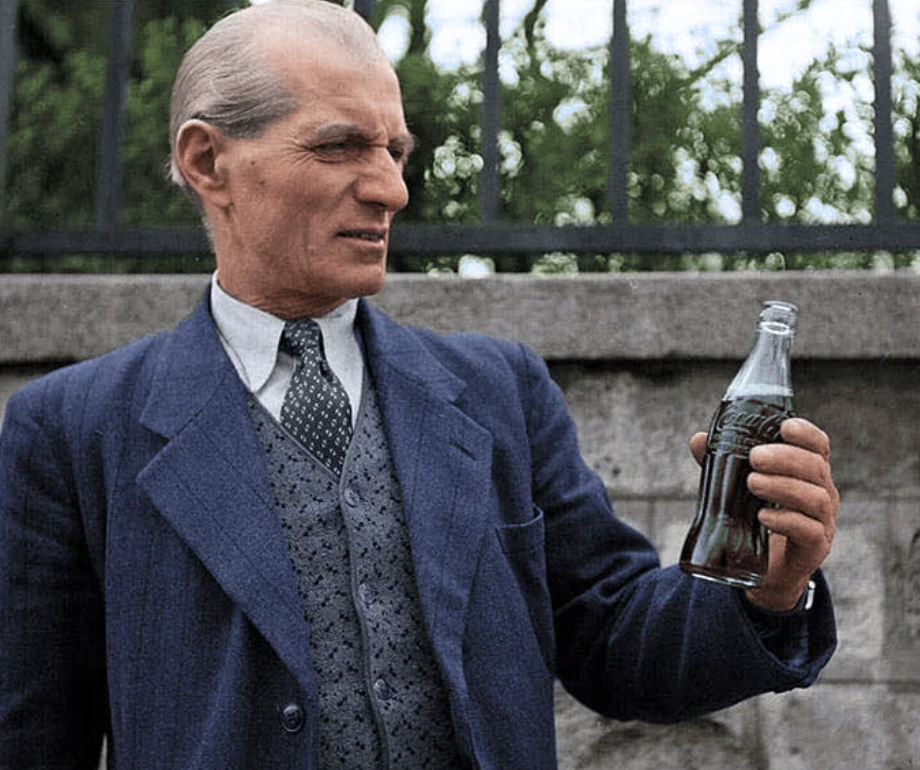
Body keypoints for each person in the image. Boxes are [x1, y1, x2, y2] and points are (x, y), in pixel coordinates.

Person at [0, 2, 838, 768]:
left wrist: (767, 594)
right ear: (208, 160)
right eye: (340, 146)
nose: (391, 188)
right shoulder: (72, 432)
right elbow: (33, 739)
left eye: (395, 150)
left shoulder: (498, 391)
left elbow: (614, 640)